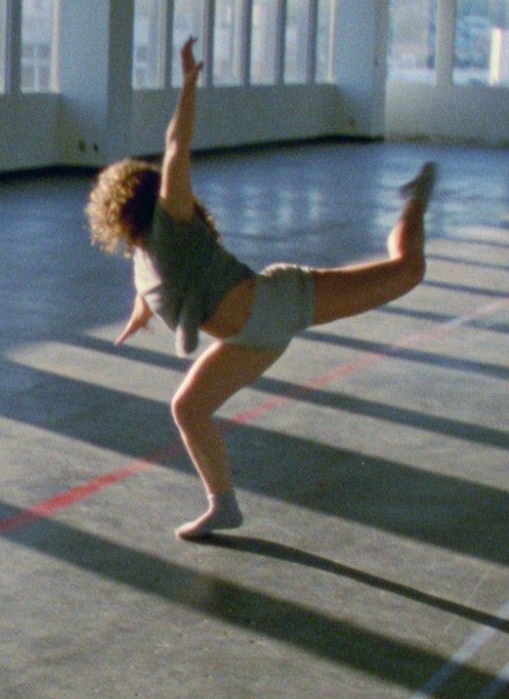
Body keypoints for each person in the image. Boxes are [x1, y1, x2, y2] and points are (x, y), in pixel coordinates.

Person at [86, 36, 435, 541]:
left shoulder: (172, 219)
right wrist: (139, 312)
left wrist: (187, 85)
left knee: (408, 271)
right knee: (188, 408)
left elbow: (176, 145)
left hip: (282, 301)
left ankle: (416, 201)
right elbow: (154, 284)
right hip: (253, 338)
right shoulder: (145, 252)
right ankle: (222, 506)